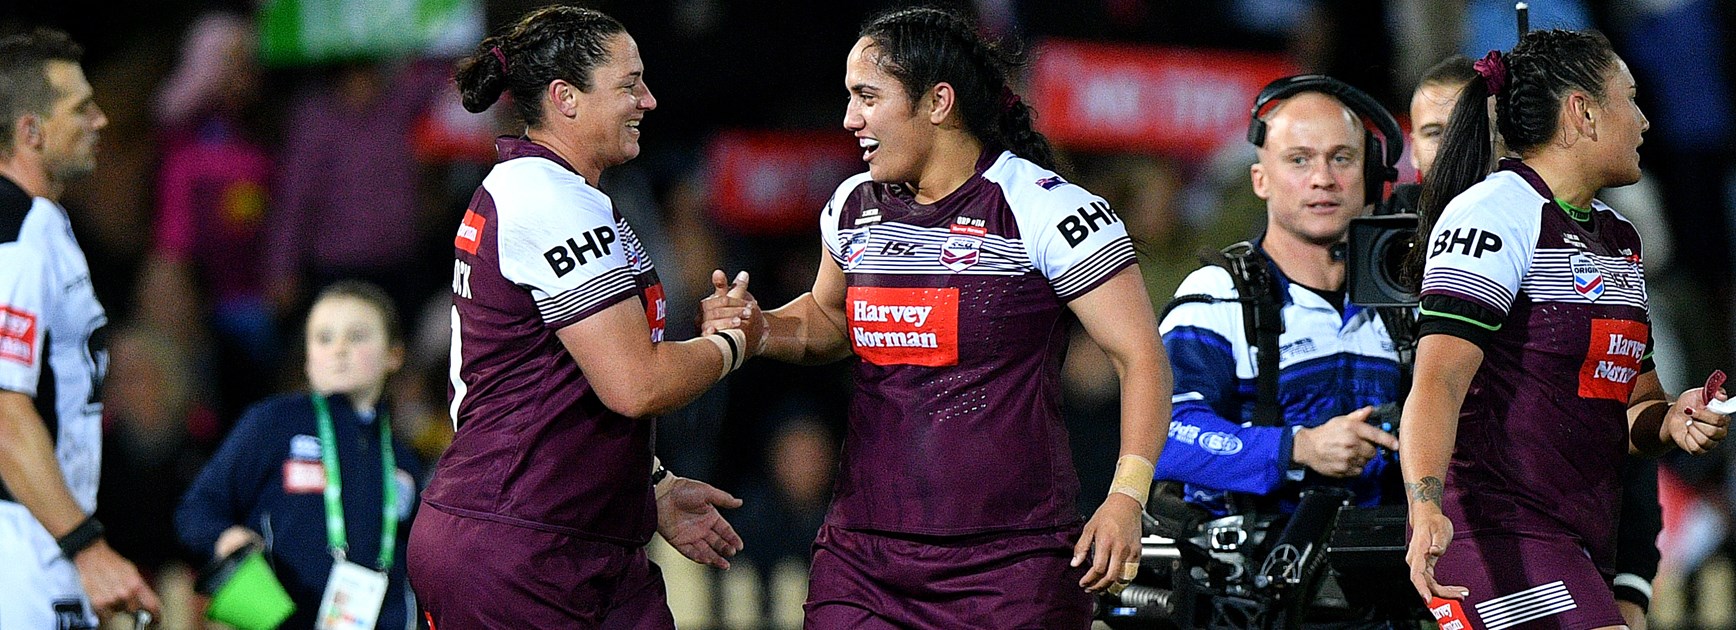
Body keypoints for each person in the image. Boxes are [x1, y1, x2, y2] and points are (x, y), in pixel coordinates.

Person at [702, 7, 1170, 628]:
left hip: (1012, 566)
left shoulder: (1046, 209)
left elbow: (1141, 357)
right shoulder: (852, 205)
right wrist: (760, 327)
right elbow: (830, 318)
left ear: (938, 103)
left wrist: (1126, 497)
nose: (850, 119)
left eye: (868, 97)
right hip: (863, 558)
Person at [404, 7, 765, 628]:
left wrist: (649, 484)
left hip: (570, 544)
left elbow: (557, 380)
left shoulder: (554, 193)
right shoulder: (549, 201)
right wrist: (732, 344)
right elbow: (636, 383)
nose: (648, 100)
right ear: (565, 98)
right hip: (517, 551)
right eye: (629, 85)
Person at [1401, 29, 1729, 630]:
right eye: (1631, 99)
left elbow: (1631, 407)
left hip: (1577, 540)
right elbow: (1438, 382)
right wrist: (1424, 507)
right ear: (1582, 112)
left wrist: (1672, 421)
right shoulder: (1493, 213)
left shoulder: (1620, 238)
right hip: (1491, 534)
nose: (1645, 122)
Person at [1154, 80, 1403, 518]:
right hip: (1252, 557)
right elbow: (1162, 436)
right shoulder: (1216, 296)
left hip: (1390, 552)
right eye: (1299, 160)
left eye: (1341, 158)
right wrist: (1296, 448)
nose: (1323, 178)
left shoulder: (1406, 300)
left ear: (1370, 176)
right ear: (1261, 180)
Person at [0, 28, 161, 628]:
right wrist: (87, 549)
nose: (101, 121)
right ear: (31, 132)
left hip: (45, 533)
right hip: (17, 543)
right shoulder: (12, 236)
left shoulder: (49, 225)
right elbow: (3, 414)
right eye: (81, 108)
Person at [176, 281, 424, 630]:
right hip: (283, 621)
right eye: (324, 338)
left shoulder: (404, 458)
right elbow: (197, 509)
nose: (339, 348)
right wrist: (224, 536)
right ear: (307, 359)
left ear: (394, 355)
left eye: (357, 336)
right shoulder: (273, 423)